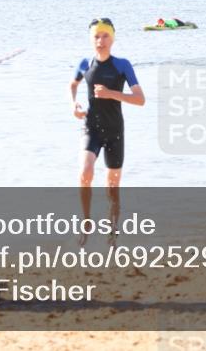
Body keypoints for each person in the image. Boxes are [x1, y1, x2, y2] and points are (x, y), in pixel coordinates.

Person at [70, 18, 145, 244]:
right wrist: (74, 105)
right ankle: (85, 222)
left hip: (114, 130)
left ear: (112, 39)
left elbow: (140, 99)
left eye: (105, 36)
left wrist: (112, 93)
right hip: (91, 127)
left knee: (112, 185)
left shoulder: (122, 65)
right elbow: (72, 85)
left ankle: (112, 233)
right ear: (91, 39)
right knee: (85, 172)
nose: (100, 41)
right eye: (96, 36)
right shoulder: (85, 63)